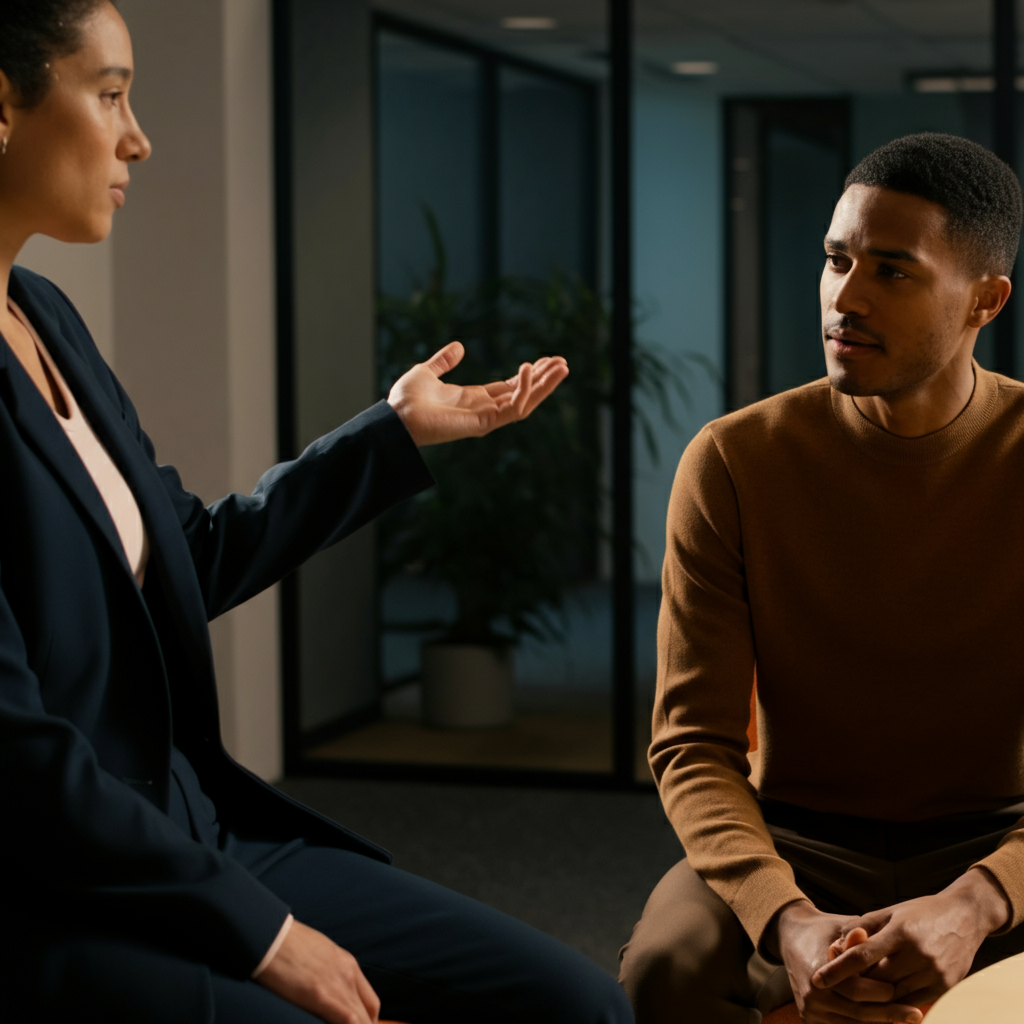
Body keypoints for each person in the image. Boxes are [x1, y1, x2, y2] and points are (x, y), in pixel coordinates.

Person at [0, 3, 635, 1023]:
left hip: (196, 830)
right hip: (58, 889)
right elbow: (15, 760)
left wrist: (391, 432)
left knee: (578, 1004)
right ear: (0, 103)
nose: (139, 137)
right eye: (111, 94)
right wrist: (264, 935)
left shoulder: (49, 318)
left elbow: (191, 556)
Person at [618, 130, 1024, 1024]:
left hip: (1001, 840)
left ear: (983, 302)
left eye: (892, 271)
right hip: (797, 836)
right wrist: (786, 920)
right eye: (836, 260)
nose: (845, 297)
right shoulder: (732, 461)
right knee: (664, 970)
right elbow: (691, 744)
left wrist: (979, 901)